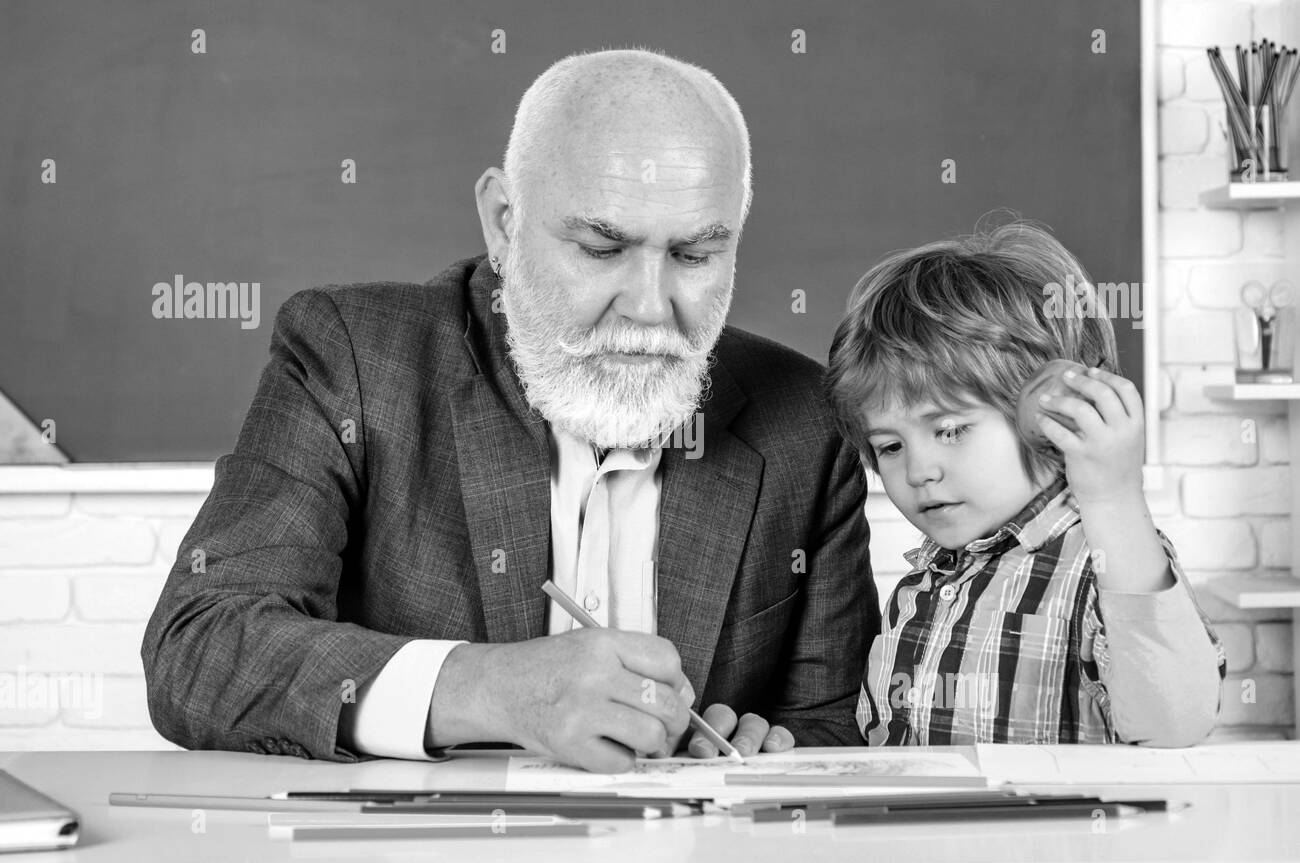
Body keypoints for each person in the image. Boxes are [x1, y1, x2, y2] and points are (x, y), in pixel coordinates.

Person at [142, 49, 880, 770]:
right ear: (502, 221)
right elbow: (201, 646)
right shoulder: (353, 357)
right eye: (600, 248)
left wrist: (763, 749)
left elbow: (832, 725)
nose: (651, 308)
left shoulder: (805, 425)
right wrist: (494, 690)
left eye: (694, 257)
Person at [825, 222, 1226, 746]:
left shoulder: (1105, 562)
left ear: (1048, 415)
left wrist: (1112, 496)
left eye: (949, 430)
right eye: (890, 446)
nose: (918, 470)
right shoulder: (922, 588)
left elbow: (1178, 722)